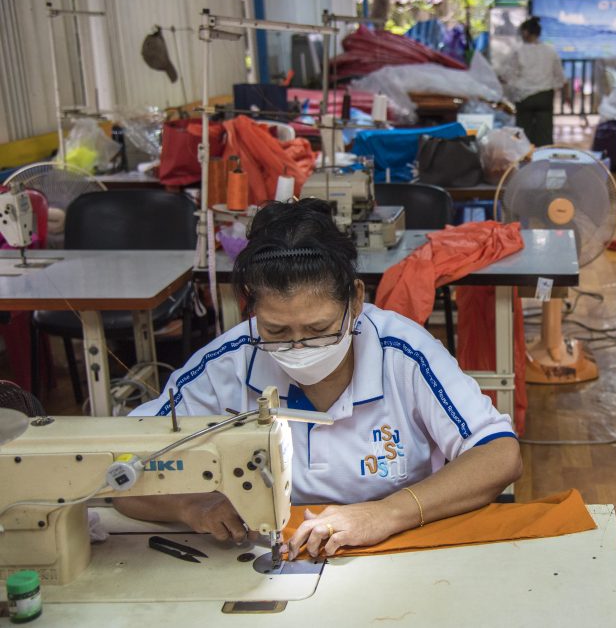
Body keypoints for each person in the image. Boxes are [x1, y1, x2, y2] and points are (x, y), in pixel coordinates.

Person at [115, 199, 522, 557]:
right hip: (271, 543)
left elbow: (499, 454)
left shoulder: (402, 353)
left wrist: (388, 511)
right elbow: (123, 464)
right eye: (276, 331)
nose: (298, 347)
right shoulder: (229, 362)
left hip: (396, 542)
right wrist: (190, 505)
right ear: (251, 311)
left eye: (318, 329)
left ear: (356, 299)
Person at [498, 17, 566, 147]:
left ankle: (525, 159)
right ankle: (545, 157)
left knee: (523, 133)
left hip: (524, 98)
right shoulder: (550, 50)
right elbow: (560, 76)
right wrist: (565, 94)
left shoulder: (518, 51)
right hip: (545, 97)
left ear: (525, 32)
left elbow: (507, 74)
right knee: (545, 132)